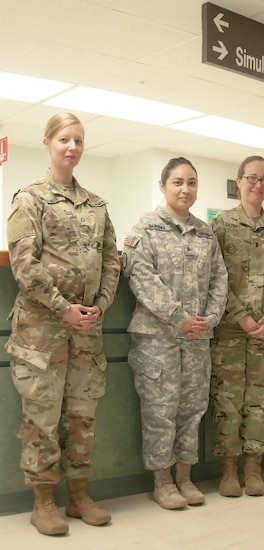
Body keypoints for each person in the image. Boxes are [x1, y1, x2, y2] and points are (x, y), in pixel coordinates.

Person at [5, 112, 120, 536]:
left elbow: (112, 261)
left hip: (87, 332)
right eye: (64, 140)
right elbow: (23, 263)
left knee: (82, 417)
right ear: (48, 143)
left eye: (79, 141)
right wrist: (62, 307)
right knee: (43, 419)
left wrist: (101, 305)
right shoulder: (30, 198)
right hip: (42, 332)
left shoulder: (97, 205)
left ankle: (79, 496)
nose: (72, 147)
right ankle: (43, 502)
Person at [123, 157, 228, 510]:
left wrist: (210, 318)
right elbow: (141, 278)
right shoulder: (146, 229)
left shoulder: (205, 233)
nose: (186, 189)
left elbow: (219, 280)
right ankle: (163, 481)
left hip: (197, 339)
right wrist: (178, 317)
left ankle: (185, 475)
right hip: (158, 340)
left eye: (192, 183)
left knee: (192, 409)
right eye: (178, 182)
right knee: (160, 410)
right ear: (163, 186)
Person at [209, 156, 264, 496]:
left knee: (260, 402)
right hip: (231, 331)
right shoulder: (221, 225)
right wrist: (241, 317)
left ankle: (253, 467)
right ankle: (229, 470)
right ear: (238, 182)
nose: (257, 185)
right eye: (251, 178)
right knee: (228, 401)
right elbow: (214, 278)